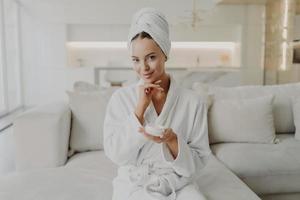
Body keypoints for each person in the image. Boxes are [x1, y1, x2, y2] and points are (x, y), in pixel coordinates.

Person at [103, 7, 211, 200]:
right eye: (136, 60)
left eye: (151, 57)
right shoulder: (121, 99)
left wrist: (172, 141)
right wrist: (140, 109)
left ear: (165, 54)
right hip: (134, 185)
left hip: (177, 184)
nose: (143, 68)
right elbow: (116, 155)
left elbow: (199, 162)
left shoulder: (193, 102)